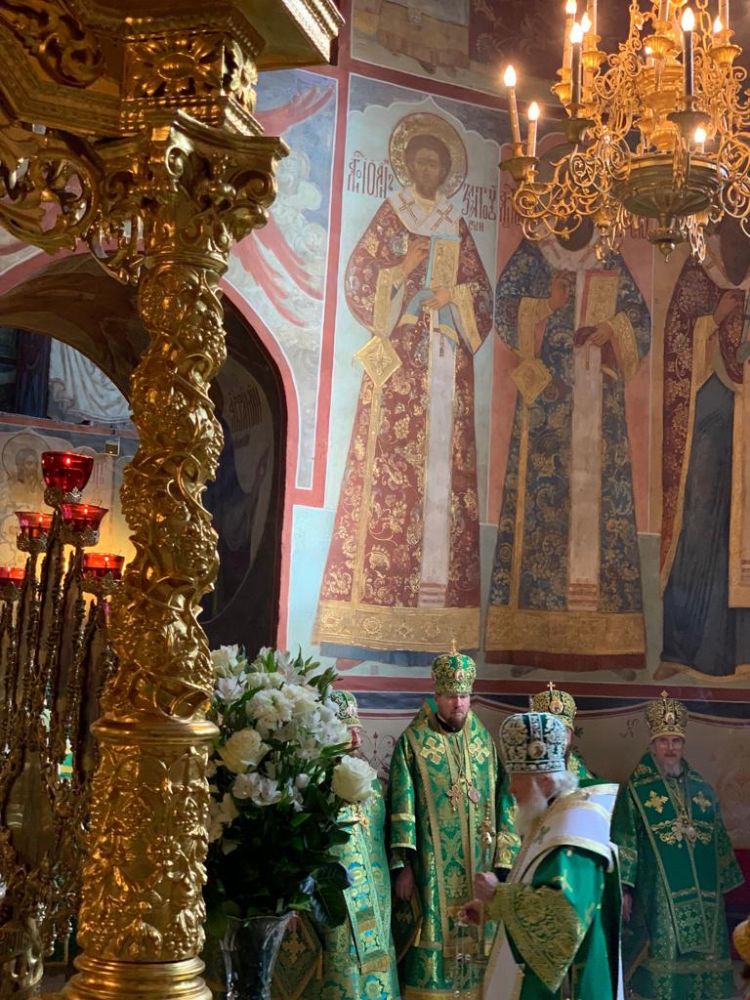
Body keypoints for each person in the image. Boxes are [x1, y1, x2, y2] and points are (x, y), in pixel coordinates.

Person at [314, 114, 493, 660]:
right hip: (399, 372)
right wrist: (401, 266)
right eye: (421, 160)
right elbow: (358, 277)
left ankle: (442, 632)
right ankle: (362, 624)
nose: (428, 169)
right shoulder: (391, 214)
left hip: (445, 366)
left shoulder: (456, 223)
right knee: (386, 479)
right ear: (409, 165)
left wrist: (452, 297)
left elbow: (482, 296)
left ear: (446, 170)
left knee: (442, 482)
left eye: (436, 162)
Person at [486, 233, 650, 673]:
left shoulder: (607, 249)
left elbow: (638, 318)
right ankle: (528, 641)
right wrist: (547, 304)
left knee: (604, 512)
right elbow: (503, 309)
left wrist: (610, 329)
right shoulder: (533, 252)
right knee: (544, 512)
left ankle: (612, 644)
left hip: (600, 398)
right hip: (548, 401)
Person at [461, 711, 622, 1000]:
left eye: (517, 778)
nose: (511, 789)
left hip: (567, 988)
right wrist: (492, 908)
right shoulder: (549, 817)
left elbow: (563, 920)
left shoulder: (574, 829)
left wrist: (499, 896)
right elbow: (537, 888)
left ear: (545, 782)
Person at [387, 646, 518, 999]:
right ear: (436, 696)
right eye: (449, 696)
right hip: (432, 869)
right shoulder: (414, 742)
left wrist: (503, 861)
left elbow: (505, 800)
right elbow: (401, 805)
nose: (457, 704)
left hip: (480, 863)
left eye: (463, 696)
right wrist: (404, 866)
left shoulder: (483, 741)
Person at [611, 691, 744, 1000]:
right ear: (652, 745)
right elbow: (626, 838)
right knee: (666, 949)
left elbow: (719, 836)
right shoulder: (638, 790)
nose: (670, 748)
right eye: (663, 741)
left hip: (706, 893)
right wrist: (625, 887)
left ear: (683, 745)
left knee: (708, 951)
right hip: (658, 892)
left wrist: (727, 881)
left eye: (676, 741)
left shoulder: (702, 789)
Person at [305, 689, 400, 1000]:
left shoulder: (368, 778)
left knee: (374, 959)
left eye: (357, 729)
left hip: (375, 888)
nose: (357, 739)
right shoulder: (313, 781)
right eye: (348, 731)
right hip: (336, 892)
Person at [529, 681, 599, 785]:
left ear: (571, 735)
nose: (558, 738)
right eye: (551, 730)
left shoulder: (584, 775)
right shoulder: (522, 772)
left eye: (564, 731)